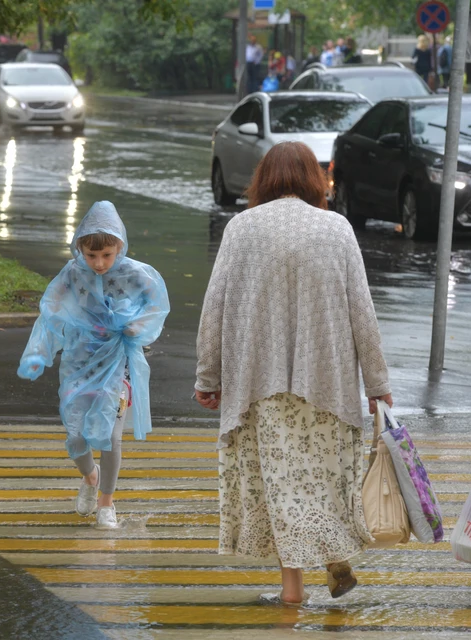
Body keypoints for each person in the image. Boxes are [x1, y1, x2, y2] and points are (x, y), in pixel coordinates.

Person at [195, 141, 392, 605]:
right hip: (328, 382)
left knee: (280, 482)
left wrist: (209, 376)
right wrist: (378, 385)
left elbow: (214, 309)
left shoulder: (241, 229)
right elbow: (362, 312)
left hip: (257, 384)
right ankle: (329, 555)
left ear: (262, 179)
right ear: (314, 179)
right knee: (320, 478)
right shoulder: (337, 229)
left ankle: (293, 591)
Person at [18, 201, 169, 530]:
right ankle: (90, 476)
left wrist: (136, 326)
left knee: (111, 435)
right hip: (79, 362)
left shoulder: (132, 273)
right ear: (80, 249)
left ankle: (106, 501)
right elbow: (50, 305)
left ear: (119, 247)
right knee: (76, 436)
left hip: (117, 364)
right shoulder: (73, 273)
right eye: (91, 255)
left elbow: (156, 303)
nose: (99, 263)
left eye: (107, 255)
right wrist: (39, 351)